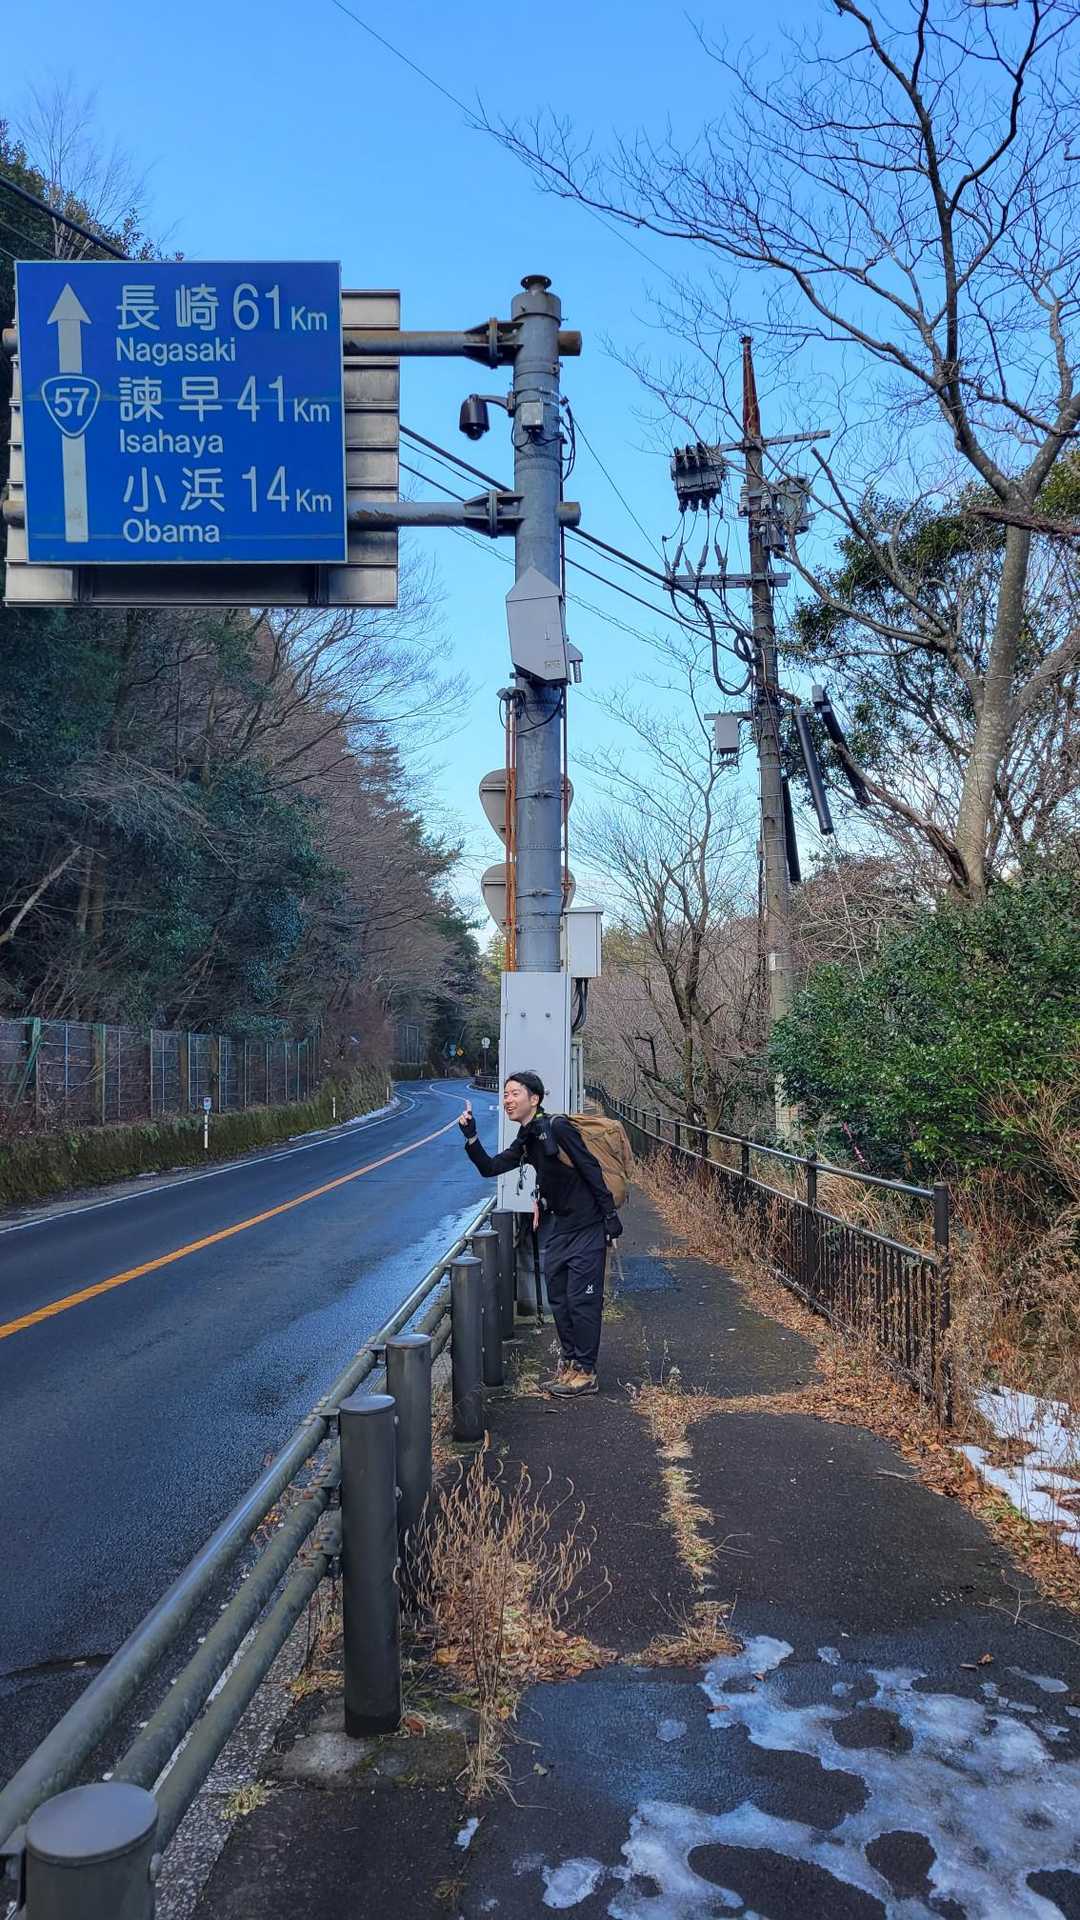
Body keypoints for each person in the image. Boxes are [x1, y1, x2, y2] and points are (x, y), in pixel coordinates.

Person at [458, 1070, 622, 1397]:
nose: (507, 1100)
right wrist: (472, 1137)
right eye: (505, 1094)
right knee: (559, 1298)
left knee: (582, 1299)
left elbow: (589, 1168)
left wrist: (610, 1216)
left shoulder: (557, 1128)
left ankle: (586, 1372)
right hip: (561, 1226)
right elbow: (491, 1168)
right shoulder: (527, 1138)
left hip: (588, 1224)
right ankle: (571, 1365)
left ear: (534, 1099)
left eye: (514, 1093)